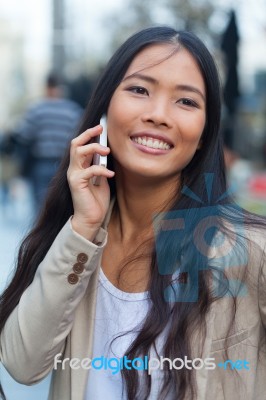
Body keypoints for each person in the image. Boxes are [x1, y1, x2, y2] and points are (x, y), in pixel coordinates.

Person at [0, 26, 266, 400]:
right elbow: (22, 364)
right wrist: (83, 227)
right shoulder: (78, 241)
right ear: (105, 108)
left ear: (205, 132)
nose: (158, 115)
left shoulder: (250, 251)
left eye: (186, 101)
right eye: (140, 90)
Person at [13, 73, 83, 212]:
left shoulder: (36, 109)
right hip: (65, 163)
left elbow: (24, 136)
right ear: (61, 88)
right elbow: (80, 134)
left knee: (40, 206)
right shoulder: (72, 110)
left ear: (46, 87)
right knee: (62, 205)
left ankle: (42, 232)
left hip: (41, 164)